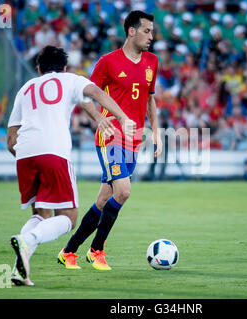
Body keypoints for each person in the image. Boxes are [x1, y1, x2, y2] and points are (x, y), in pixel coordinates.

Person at [6, 45, 136, 286]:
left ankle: (18, 271)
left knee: (40, 214)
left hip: (24, 154)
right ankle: (29, 240)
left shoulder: (25, 88)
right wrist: (121, 117)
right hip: (53, 152)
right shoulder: (70, 79)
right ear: (65, 68)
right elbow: (95, 93)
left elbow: (11, 138)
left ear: (38, 68)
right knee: (68, 218)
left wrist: (27, 155)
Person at [58, 10, 162, 271]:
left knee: (104, 201)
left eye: (152, 31)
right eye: (147, 31)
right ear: (131, 31)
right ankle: (97, 251)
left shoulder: (152, 61)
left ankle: (68, 251)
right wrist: (98, 119)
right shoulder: (107, 62)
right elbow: (84, 95)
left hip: (135, 139)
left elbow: (149, 98)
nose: (152, 36)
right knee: (123, 191)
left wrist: (156, 131)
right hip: (111, 137)